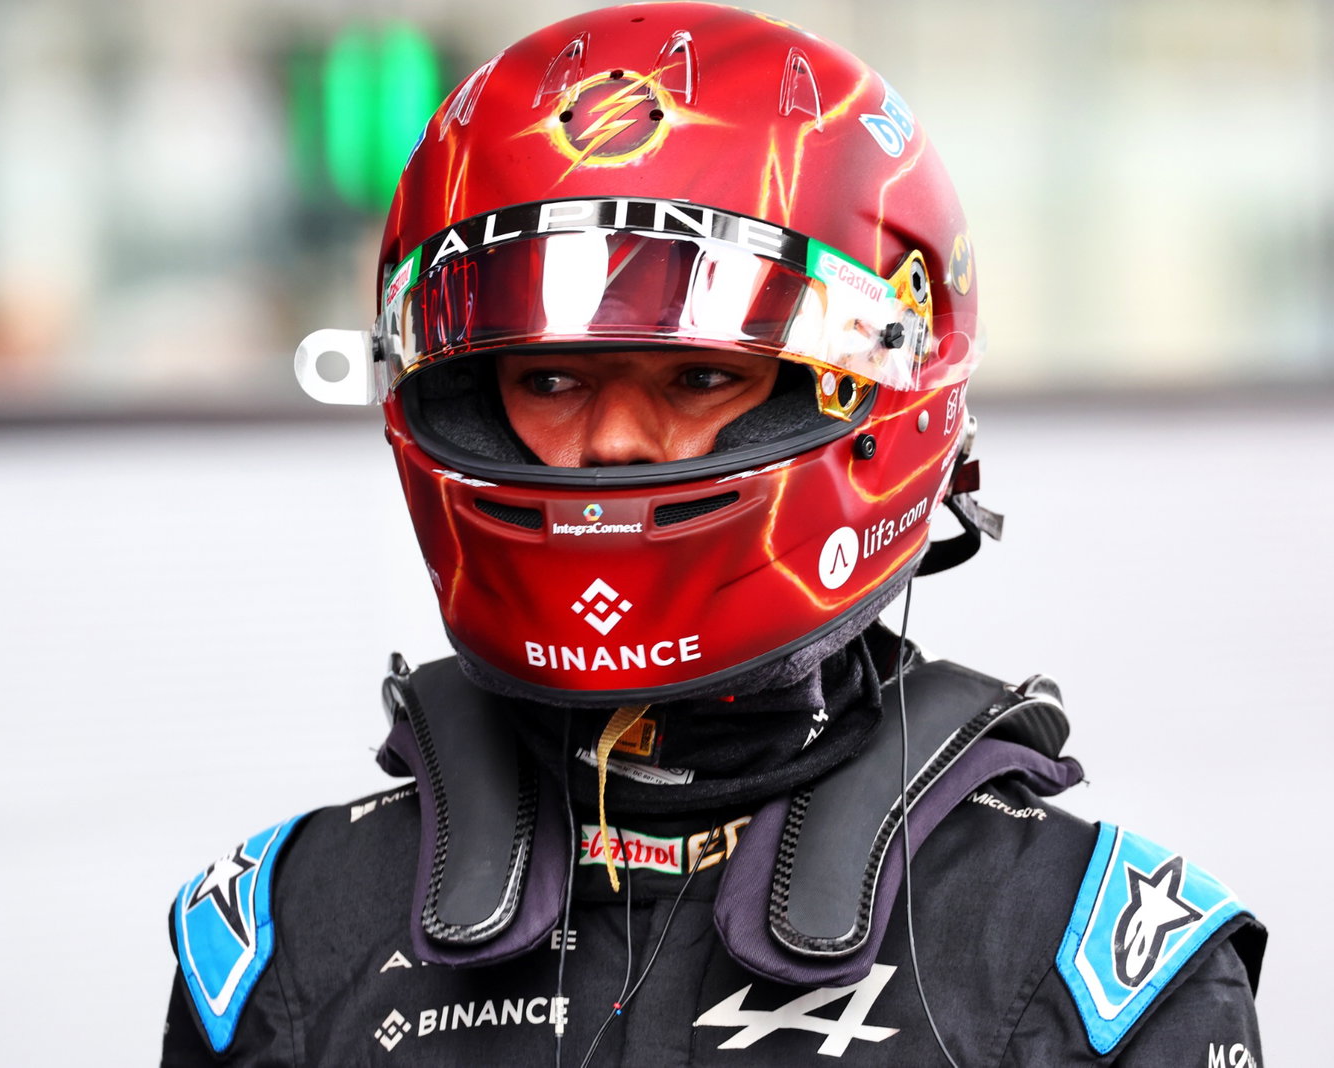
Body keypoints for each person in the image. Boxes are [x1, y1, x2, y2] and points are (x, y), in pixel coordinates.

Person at [161, 4, 1266, 1064]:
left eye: (697, 377)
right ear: (457, 399)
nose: (613, 445)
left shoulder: (1082, 967)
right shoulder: (287, 936)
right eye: (546, 380)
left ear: (873, 394)